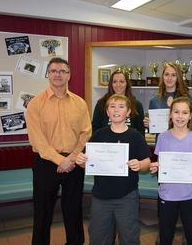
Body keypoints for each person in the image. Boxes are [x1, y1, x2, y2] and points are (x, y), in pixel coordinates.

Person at [26, 57, 92, 245]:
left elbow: (85, 133)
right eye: (53, 71)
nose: (58, 74)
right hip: (45, 162)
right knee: (42, 213)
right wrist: (59, 160)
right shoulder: (35, 104)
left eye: (62, 71)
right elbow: (37, 140)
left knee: (73, 210)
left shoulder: (80, 103)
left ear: (69, 75)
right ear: (48, 74)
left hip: (74, 162)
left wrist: (70, 159)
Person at [76, 94, 151, 245]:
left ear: (128, 112)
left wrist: (140, 164)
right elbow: (87, 162)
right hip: (100, 197)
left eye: (121, 107)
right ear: (107, 111)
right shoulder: (98, 135)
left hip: (127, 197)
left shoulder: (135, 136)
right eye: (112, 106)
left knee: (129, 237)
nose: (116, 110)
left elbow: (147, 162)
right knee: (98, 238)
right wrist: (81, 161)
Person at [149, 96, 192, 245]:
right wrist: (156, 167)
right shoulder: (162, 137)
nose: (180, 116)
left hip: (190, 195)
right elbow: (160, 163)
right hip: (167, 195)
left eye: (184, 113)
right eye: (176, 112)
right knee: (165, 236)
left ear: (190, 116)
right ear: (170, 114)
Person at [144, 62, 192, 131]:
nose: (169, 78)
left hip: (182, 140)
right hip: (162, 141)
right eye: (166, 74)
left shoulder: (186, 99)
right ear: (162, 77)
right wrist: (149, 124)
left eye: (173, 75)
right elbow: (153, 130)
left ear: (178, 78)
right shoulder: (154, 101)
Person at [92, 70, 145, 135]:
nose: (118, 85)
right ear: (111, 84)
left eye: (121, 82)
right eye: (115, 82)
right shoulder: (101, 103)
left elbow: (141, 131)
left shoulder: (136, 105)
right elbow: (95, 129)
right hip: (106, 143)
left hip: (130, 143)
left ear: (127, 84)